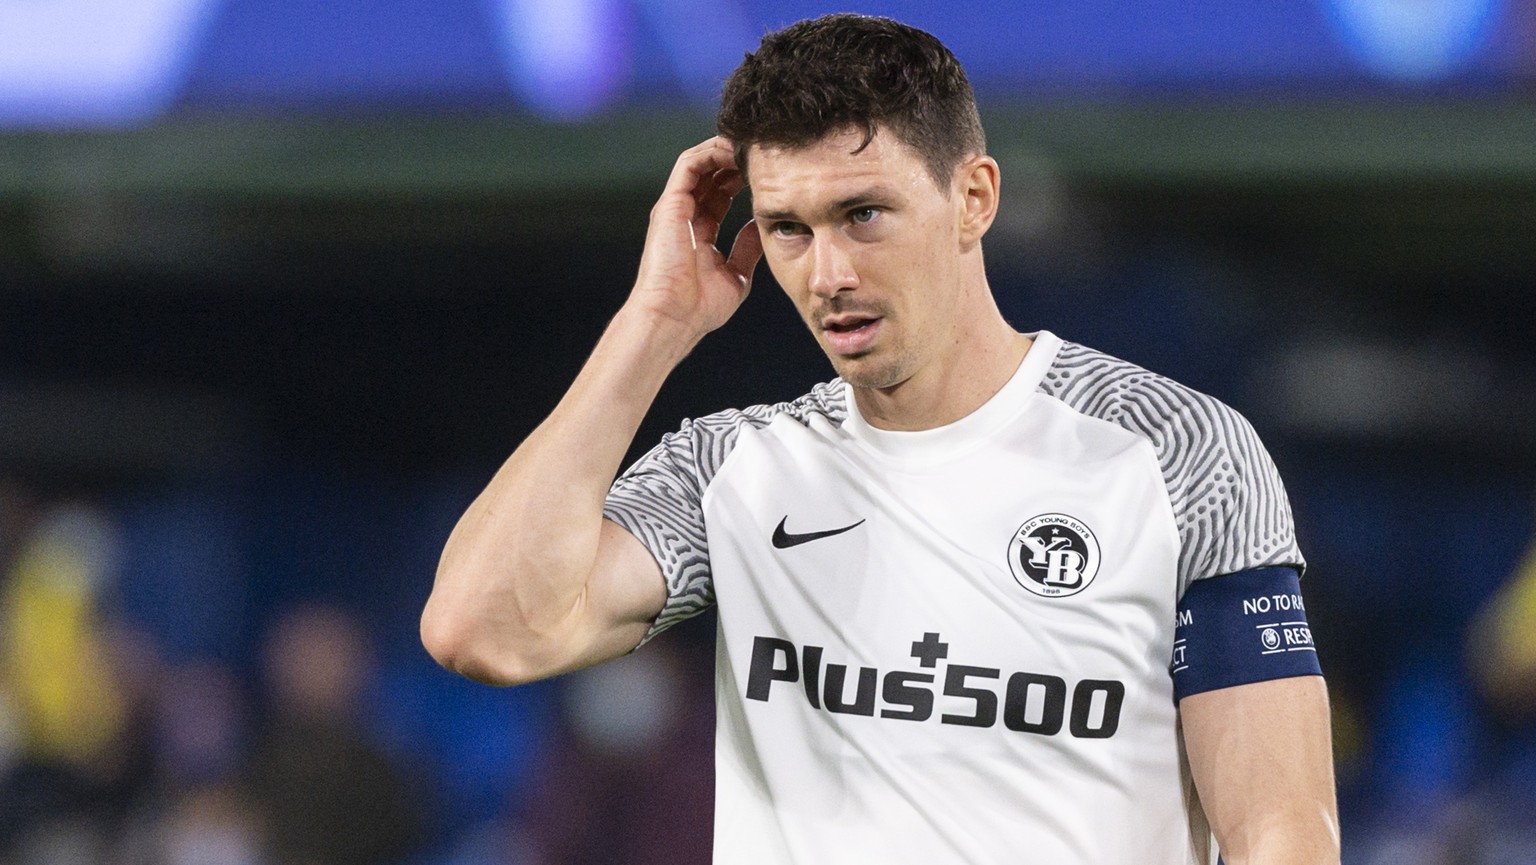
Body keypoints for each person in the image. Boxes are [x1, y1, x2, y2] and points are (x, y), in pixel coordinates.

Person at [422, 13, 1339, 864]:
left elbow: (1279, 827)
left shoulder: (1176, 452)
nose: (828, 274)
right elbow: (484, 629)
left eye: (863, 214)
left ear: (973, 197)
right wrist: (655, 323)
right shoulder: (735, 469)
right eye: (787, 228)